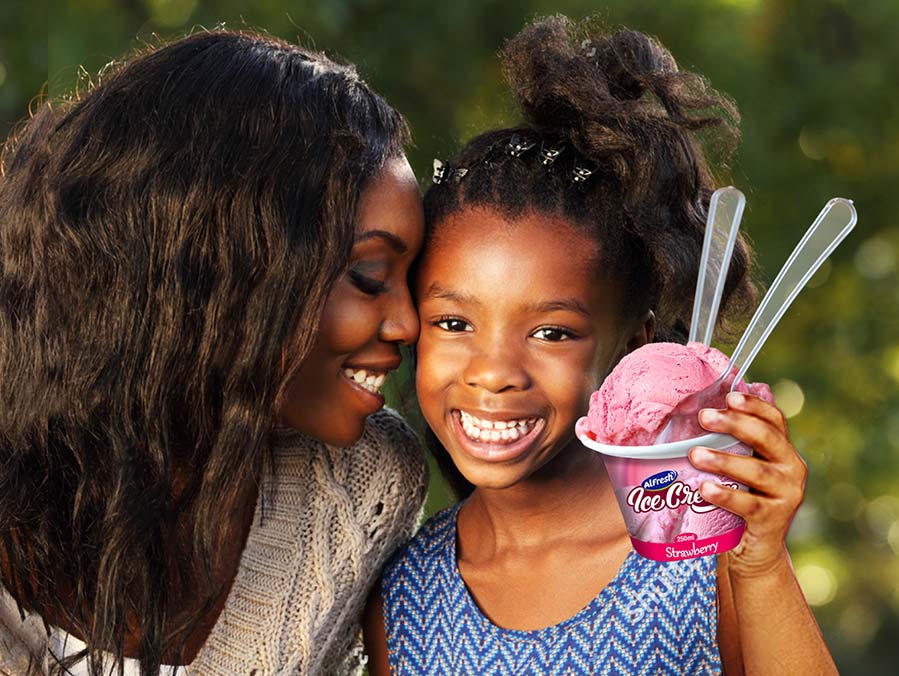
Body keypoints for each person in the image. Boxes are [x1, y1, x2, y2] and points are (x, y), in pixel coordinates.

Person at [363, 16, 838, 676]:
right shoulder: (403, 595)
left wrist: (759, 566)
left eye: (551, 332)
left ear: (633, 345)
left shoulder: (702, 550)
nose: (493, 373)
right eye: (454, 323)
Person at [0, 29, 427, 675]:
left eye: (412, 280)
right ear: (219, 266)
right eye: (368, 273)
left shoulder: (357, 483)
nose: (408, 322)